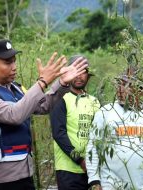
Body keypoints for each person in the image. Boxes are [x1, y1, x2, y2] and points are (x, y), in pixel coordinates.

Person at [0, 39, 89, 190]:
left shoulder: (15, 88)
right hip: (1, 180)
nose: (14, 67)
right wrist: (42, 82)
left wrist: (62, 83)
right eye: (8, 63)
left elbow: (43, 106)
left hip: (24, 173)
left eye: (14, 61)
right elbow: (14, 115)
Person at [86, 72, 143, 190]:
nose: (119, 90)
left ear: (140, 91)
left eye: (126, 85)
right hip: (112, 184)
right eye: (118, 84)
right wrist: (94, 180)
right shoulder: (105, 112)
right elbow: (93, 147)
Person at [49, 55, 100, 190]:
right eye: (76, 71)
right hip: (68, 170)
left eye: (83, 72)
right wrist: (79, 160)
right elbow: (59, 134)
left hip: (91, 169)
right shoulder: (61, 99)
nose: (79, 76)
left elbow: (98, 133)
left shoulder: (94, 101)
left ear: (88, 76)